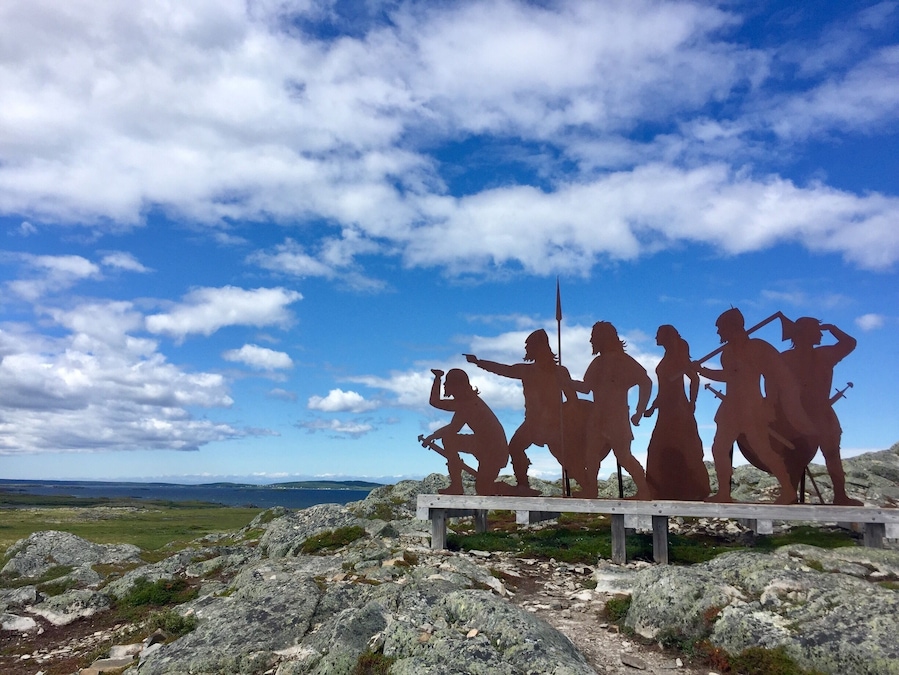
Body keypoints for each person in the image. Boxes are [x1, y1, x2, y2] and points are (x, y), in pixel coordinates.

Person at [695, 308, 812, 505]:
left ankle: (789, 490)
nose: (718, 333)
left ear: (732, 327)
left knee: (763, 451)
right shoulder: (727, 352)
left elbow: (775, 375)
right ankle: (724, 493)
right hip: (731, 409)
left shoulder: (758, 347)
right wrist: (701, 370)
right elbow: (728, 376)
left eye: (720, 328)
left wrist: (770, 402)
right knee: (719, 449)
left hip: (752, 407)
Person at [465, 329, 580, 495]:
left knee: (563, 457)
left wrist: (567, 420)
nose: (526, 350)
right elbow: (503, 369)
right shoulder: (531, 370)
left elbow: (572, 400)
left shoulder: (558, 372)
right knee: (516, 447)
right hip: (533, 423)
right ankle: (523, 485)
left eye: (529, 347)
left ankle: (584, 482)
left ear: (537, 348)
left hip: (552, 424)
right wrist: (479, 362)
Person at [781, 317, 861, 506]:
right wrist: (832, 327)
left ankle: (840, 495)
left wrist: (831, 326)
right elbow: (774, 387)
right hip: (799, 415)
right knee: (797, 455)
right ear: (805, 333)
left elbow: (850, 343)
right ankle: (790, 494)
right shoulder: (789, 358)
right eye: (817, 330)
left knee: (831, 454)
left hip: (820, 414)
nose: (821, 334)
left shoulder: (822, 354)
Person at [575, 321, 652, 500]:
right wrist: (564, 382)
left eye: (594, 337)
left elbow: (645, 381)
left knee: (623, 456)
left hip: (616, 417)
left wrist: (640, 410)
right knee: (591, 455)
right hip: (598, 416)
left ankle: (644, 491)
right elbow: (586, 387)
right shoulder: (598, 362)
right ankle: (591, 490)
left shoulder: (622, 360)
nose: (591, 340)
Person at [420, 368, 513, 496]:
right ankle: (457, 486)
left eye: (447, 383)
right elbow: (436, 404)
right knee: (483, 488)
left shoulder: (468, 404)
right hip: (485, 445)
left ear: (456, 386)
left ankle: (458, 486)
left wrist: (433, 436)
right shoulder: (465, 403)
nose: (445, 385)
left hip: (493, 451)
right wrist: (437, 378)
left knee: (484, 488)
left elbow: (453, 428)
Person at [643, 325, 710, 500]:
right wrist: (652, 407)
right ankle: (659, 490)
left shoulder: (678, 358)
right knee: (658, 448)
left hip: (677, 410)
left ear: (666, 336)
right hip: (666, 409)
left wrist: (692, 403)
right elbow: (664, 391)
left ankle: (691, 489)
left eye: (658, 334)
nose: (655, 337)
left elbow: (694, 379)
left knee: (680, 447)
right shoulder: (667, 358)